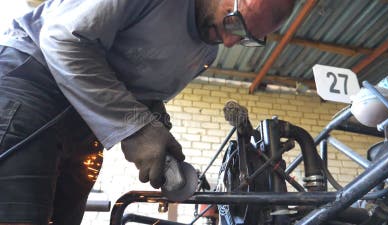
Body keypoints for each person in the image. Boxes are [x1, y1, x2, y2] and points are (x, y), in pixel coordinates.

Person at [0, 0, 294, 224]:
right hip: (30, 86)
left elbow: (139, 95)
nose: (230, 41)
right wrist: (138, 128)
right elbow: (63, 39)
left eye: (247, 38)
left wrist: (156, 127)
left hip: (82, 127)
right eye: (236, 23)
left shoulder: (205, 51)